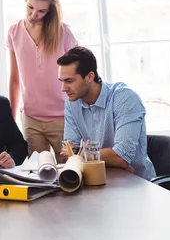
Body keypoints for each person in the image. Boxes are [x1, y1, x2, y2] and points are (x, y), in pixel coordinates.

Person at [57, 46, 156, 180]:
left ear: (89, 77)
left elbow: (120, 157)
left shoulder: (125, 98)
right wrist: (111, 161)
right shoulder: (71, 103)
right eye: (61, 81)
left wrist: (78, 153)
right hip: (99, 180)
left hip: (136, 184)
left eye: (69, 81)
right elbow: (68, 152)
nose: (63, 89)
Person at [6, 0, 78, 159]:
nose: (33, 14)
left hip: (63, 117)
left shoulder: (63, 33)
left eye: (41, 11)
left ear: (50, 11)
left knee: (71, 172)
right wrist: (10, 119)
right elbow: (15, 78)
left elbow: (78, 77)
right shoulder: (14, 32)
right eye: (30, 7)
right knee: (39, 174)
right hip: (31, 119)